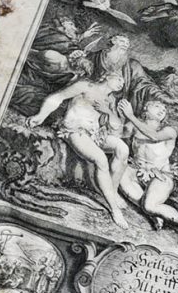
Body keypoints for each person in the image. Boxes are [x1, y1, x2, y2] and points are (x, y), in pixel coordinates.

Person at [26, 36, 133, 229]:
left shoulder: (110, 100)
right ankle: (114, 209)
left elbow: (116, 128)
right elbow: (57, 97)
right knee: (101, 159)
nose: (121, 83)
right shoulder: (85, 86)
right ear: (107, 76)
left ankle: (112, 190)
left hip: (94, 133)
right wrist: (41, 116)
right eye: (118, 78)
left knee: (123, 149)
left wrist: (108, 112)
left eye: (123, 81)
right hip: (75, 130)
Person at [117, 98, 178, 244]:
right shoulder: (134, 125)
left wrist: (130, 116)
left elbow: (153, 136)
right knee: (118, 172)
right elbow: (118, 135)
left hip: (160, 176)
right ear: (146, 109)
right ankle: (153, 214)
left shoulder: (168, 131)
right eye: (157, 106)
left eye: (164, 109)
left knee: (149, 206)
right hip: (137, 171)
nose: (162, 110)